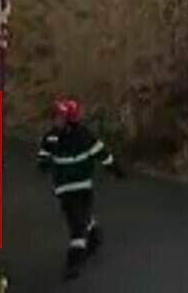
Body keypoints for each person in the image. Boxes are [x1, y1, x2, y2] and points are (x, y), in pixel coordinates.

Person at [37, 98, 124, 279]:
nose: (56, 120)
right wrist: (116, 170)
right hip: (67, 190)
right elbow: (104, 156)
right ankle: (93, 233)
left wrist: (114, 168)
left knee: (76, 225)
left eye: (60, 117)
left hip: (77, 188)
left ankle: (74, 262)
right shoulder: (65, 137)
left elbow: (102, 154)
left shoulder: (74, 136)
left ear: (68, 120)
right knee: (80, 217)